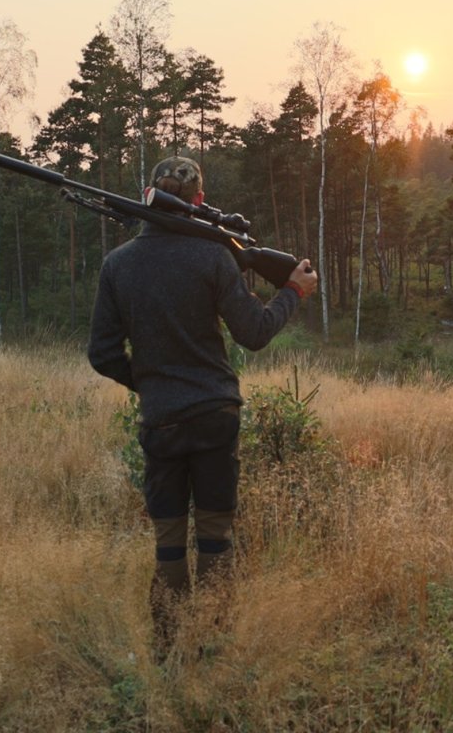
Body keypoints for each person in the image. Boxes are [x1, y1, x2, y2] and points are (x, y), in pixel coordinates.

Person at [87, 155, 317, 623]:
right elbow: (253, 333)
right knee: (214, 534)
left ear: (150, 194)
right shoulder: (213, 256)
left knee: (169, 542)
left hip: (161, 421)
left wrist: (153, 384)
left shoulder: (118, 264)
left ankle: (170, 643)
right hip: (215, 415)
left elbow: (103, 354)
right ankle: (213, 641)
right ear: (199, 200)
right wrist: (293, 291)